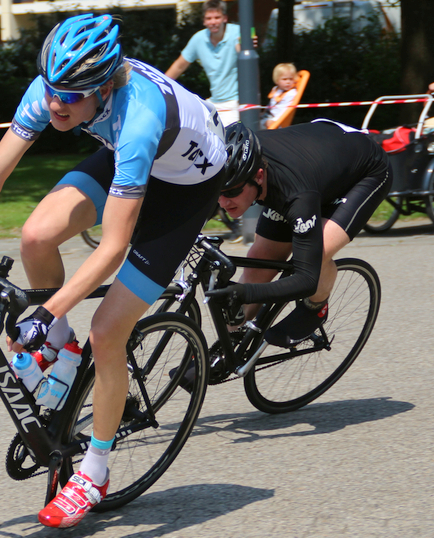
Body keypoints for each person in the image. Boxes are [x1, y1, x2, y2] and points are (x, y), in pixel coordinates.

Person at [0, 14, 227, 528]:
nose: (55, 104)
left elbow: (113, 248)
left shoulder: (137, 116)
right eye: (51, 90)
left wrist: (48, 308)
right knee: (35, 235)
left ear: (104, 87)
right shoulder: (54, 88)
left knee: (107, 331)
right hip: (128, 161)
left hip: (182, 189)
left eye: (71, 97)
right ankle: (62, 351)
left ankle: (94, 470)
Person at [213, 120, 392, 348]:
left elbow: (306, 279)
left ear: (258, 175)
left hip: (364, 170)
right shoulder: (232, 164)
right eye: (218, 192)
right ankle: (224, 348)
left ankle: (315, 308)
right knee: (261, 260)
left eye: (231, 192)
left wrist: (245, 292)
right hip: (315, 161)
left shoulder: (295, 195)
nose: (223, 201)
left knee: (312, 256)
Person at [165, 0, 242, 126]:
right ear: (204, 21)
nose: (213, 22)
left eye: (217, 17)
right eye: (209, 18)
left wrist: (248, 44)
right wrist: (160, 85)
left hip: (236, 103)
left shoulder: (237, 33)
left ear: (225, 18)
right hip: (214, 103)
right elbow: (179, 66)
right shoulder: (198, 39)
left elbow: (247, 49)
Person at [261, 63, 298, 129]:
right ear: (277, 80)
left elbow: (286, 110)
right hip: (268, 115)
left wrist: (275, 121)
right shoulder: (276, 89)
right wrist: (263, 113)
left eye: (291, 79)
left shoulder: (291, 93)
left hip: (277, 119)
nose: (288, 82)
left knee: (262, 124)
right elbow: (271, 104)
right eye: (284, 79)